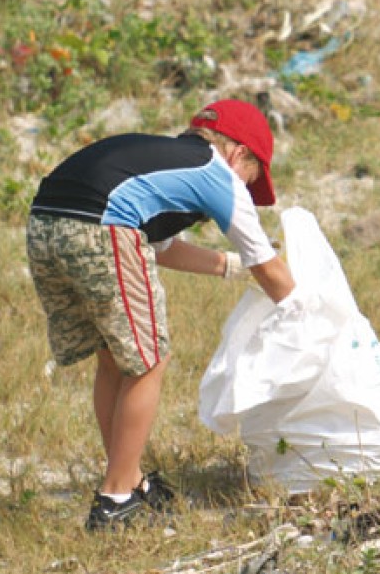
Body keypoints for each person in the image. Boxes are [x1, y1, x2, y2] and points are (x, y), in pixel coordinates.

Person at [25, 99, 296, 531]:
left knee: (115, 357)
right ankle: (116, 499)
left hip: (43, 224)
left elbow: (161, 246)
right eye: (252, 180)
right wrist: (308, 308)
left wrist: (228, 267)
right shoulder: (218, 174)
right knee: (149, 360)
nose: (246, 191)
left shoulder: (163, 161)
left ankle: (130, 478)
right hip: (102, 229)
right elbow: (269, 267)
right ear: (238, 154)